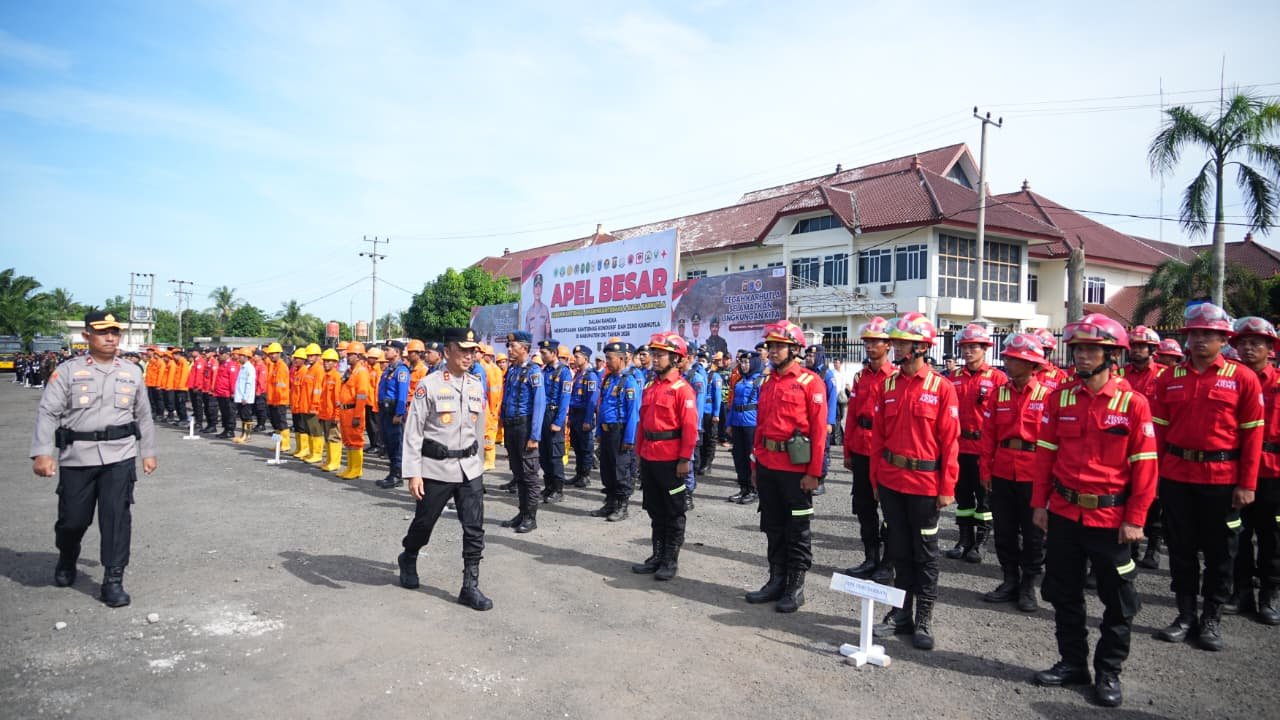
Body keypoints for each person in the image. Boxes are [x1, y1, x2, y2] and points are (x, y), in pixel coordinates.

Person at [1030, 314, 1157, 708]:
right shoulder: (1060, 398)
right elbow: (1045, 457)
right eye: (1079, 348)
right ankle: (1072, 664)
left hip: (1112, 522)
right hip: (1066, 514)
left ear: (1112, 355)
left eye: (1091, 349)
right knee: (1063, 593)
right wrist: (1039, 504)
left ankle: (1108, 673)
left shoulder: (1133, 404)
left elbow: (1146, 466)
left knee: (1118, 601)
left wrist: (1136, 519)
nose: (1082, 355)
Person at [1151, 302, 1264, 652]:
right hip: (1177, 476)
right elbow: (1158, 435)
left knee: (1220, 553)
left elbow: (1253, 435)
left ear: (1222, 338)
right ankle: (1185, 615)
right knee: (1181, 549)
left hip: (1222, 479)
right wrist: (1155, 478)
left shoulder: (1241, 377)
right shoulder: (1170, 378)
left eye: (1209, 335)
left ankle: (1211, 616)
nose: (1200, 340)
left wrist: (1247, 484)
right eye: (1195, 334)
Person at [30, 311, 158, 607]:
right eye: (103, 332)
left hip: (119, 456)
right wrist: (42, 452)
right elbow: (48, 412)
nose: (111, 337)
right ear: (87, 336)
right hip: (78, 456)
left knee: (116, 518)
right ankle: (67, 555)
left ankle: (113, 580)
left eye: (115, 332)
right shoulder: (68, 371)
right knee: (73, 520)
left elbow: (144, 415)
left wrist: (148, 452)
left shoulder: (132, 371)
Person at [870, 312, 959, 651]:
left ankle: (923, 618)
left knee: (925, 555)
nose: (894, 346)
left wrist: (947, 487)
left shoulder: (942, 388)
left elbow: (951, 442)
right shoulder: (888, 385)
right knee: (898, 550)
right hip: (892, 481)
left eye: (901, 342)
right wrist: (876, 480)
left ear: (920, 347)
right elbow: (878, 438)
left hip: (924, 485)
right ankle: (899, 613)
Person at [396, 327, 493, 611]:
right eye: (463, 350)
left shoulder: (476, 385)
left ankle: (470, 586)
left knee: (474, 528)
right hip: (436, 469)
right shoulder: (430, 384)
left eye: (472, 350)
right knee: (424, 524)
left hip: (469, 469)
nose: (469, 355)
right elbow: (413, 432)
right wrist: (413, 472)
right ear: (448, 350)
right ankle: (409, 555)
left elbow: (478, 426)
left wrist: (481, 462)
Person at [745, 321, 829, 612]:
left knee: (797, 529)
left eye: (780, 346)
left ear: (795, 348)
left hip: (796, 470)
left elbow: (819, 433)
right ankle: (775, 580)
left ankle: (795, 586)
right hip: (768, 465)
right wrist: (755, 465)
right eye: (771, 346)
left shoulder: (810, 382)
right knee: (772, 526)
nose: (773, 351)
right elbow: (761, 426)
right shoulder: (767, 382)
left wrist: (814, 473)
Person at [978, 333, 1051, 612]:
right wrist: (985, 470)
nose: (1007, 361)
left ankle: (1028, 586)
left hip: (1034, 472)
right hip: (1003, 470)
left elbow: (1052, 442)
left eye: (1013, 358)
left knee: (1033, 535)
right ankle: (1009, 580)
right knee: (1005, 531)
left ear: (1030, 364)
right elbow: (989, 436)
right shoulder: (1001, 393)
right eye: (1007, 357)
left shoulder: (1047, 395)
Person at [631, 332, 699, 581]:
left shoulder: (683, 390)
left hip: (671, 461)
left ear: (676, 358)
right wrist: (639, 453)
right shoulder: (650, 386)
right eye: (654, 354)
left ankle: (670, 559)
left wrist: (684, 459)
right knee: (655, 509)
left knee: (673, 511)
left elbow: (690, 428)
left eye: (660, 355)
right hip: (649, 457)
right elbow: (642, 423)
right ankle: (657, 555)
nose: (655, 358)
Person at [1225, 317, 1280, 624]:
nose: (1247, 348)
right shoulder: (1233, 382)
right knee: (1238, 536)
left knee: (1272, 537)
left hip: (1274, 473)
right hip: (1235, 472)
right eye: (1242, 343)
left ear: (1270, 348)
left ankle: (1268, 597)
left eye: (1255, 343)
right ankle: (1240, 592)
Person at [946, 323, 1006, 565]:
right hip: (960, 448)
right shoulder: (954, 378)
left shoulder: (998, 378)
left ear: (985, 349)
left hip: (983, 449)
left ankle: (980, 544)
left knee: (984, 500)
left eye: (974, 347)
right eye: (965, 347)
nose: (968, 351)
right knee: (963, 498)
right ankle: (964, 540)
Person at [841, 317, 896, 583]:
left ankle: (888, 562)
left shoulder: (896, 377)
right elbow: (851, 415)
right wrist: (847, 451)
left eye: (875, 341)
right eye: (867, 341)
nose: (870, 346)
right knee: (864, 507)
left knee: (889, 509)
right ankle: (870, 557)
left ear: (888, 345)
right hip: (862, 449)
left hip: (884, 452)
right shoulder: (861, 377)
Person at [499, 331, 546, 532]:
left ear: (524, 348)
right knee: (518, 473)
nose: (509, 350)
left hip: (525, 427)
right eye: (509, 346)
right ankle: (521, 512)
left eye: (513, 346)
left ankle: (530, 517)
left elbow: (539, 404)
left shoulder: (534, 371)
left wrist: (534, 436)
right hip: (511, 427)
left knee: (529, 474)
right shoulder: (512, 371)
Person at [592, 340, 642, 521]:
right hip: (606, 431)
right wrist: (598, 431)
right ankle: (610, 502)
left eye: (610, 358)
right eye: (606, 358)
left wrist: (629, 439)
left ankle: (622, 506)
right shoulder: (607, 379)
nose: (607, 362)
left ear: (621, 359)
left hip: (620, 432)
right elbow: (602, 406)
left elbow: (633, 414)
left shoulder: (629, 381)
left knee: (621, 470)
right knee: (607, 468)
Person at [537, 339, 573, 503]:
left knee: (555, 455)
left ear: (553, 353)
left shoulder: (563, 372)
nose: (542, 356)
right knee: (544, 454)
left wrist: (558, 422)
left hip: (554, 415)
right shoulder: (545, 371)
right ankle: (549, 486)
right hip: (543, 416)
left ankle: (558, 489)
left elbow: (565, 399)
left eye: (544, 353)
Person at [726, 351, 763, 505]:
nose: (744, 365)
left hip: (751, 424)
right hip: (737, 422)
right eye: (742, 362)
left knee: (750, 457)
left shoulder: (760, 381)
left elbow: (763, 406)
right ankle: (743, 487)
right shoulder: (739, 381)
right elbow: (733, 404)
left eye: (747, 362)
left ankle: (754, 490)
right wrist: (729, 424)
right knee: (738, 457)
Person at [336, 342, 375, 480]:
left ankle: (356, 469)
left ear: (358, 356)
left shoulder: (361, 372)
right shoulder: (350, 371)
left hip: (354, 411)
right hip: (345, 411)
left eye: (351, 354)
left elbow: (362, 396)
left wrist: (357, 415)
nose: (347, 356)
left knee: (356, 440)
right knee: (347, 440)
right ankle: (350, 467)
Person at [803, 344, 838, 495]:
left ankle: (821, 481)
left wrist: (829, 422)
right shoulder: (806, 373)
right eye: (807, 356)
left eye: (811, 356)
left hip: (822, 420)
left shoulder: (827, 374)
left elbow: (832, 399)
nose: (808, 359)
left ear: (819, 357)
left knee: (822, 450)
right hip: (808, 420)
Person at [376, 341, 412, 489]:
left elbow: (402, 394)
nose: (385, 352)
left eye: (388, 349)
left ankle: (397, 475)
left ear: (397, 352)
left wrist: (399, 413)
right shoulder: (388, 369)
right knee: (388, 444)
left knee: (396, 444)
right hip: (385, 411)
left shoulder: (401, 370)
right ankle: (392, 473)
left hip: (393, 413)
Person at [567, 345, 600, 488]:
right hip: (575, 415)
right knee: (578, 447)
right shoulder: (578, 374)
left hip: (584, 415)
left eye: (578, 356)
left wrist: (587, 420)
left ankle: (585, 476)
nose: (575, 359)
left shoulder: (591, 376)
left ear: (585, 358)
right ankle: (578, 474)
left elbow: (592, 400)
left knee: (586, 448)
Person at [313, 348, 343, 472]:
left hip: (332, 414)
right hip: (324, 413)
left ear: (335, 363)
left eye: (329, 361)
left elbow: (338, 399)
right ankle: (329, 460)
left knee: (334, 437)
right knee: (327, 438)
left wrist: (337, 415)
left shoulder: (336, 377)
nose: (326, 363)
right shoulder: (325, 377)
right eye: (325, 361)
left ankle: (335, 462)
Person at [696, 348, 724, 477]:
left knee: (710, 438)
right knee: (700, 438)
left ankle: (707, 463)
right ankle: (699, 462)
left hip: (709, 410)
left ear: (708, 362)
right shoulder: (696, 374)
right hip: (699, 411)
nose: (701, 363)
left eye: (703, 360)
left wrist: (716, 414)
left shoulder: (714, 376)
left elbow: (717, 396)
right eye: (699, 360)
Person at [232, 347, 258, 444]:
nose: (239, 358)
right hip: (240, 396)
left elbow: (249, 384)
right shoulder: (243, 367)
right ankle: (243, 435)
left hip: (245, 398)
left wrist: (245, 397)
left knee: (247, 416)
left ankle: (247, 436)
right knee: (243, 416)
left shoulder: (249, 368)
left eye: (241, 356)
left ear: (247, 357)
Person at [524, 273, 552, 346]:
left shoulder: (545, 310)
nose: (538, 290)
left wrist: (548, 333)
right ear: (533, 289)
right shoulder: (529, 311)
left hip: (541, 350)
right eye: (536, 286)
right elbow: (526, 336)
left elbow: (549, 336)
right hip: (531, 351)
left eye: (540, 287)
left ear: (542, 289)